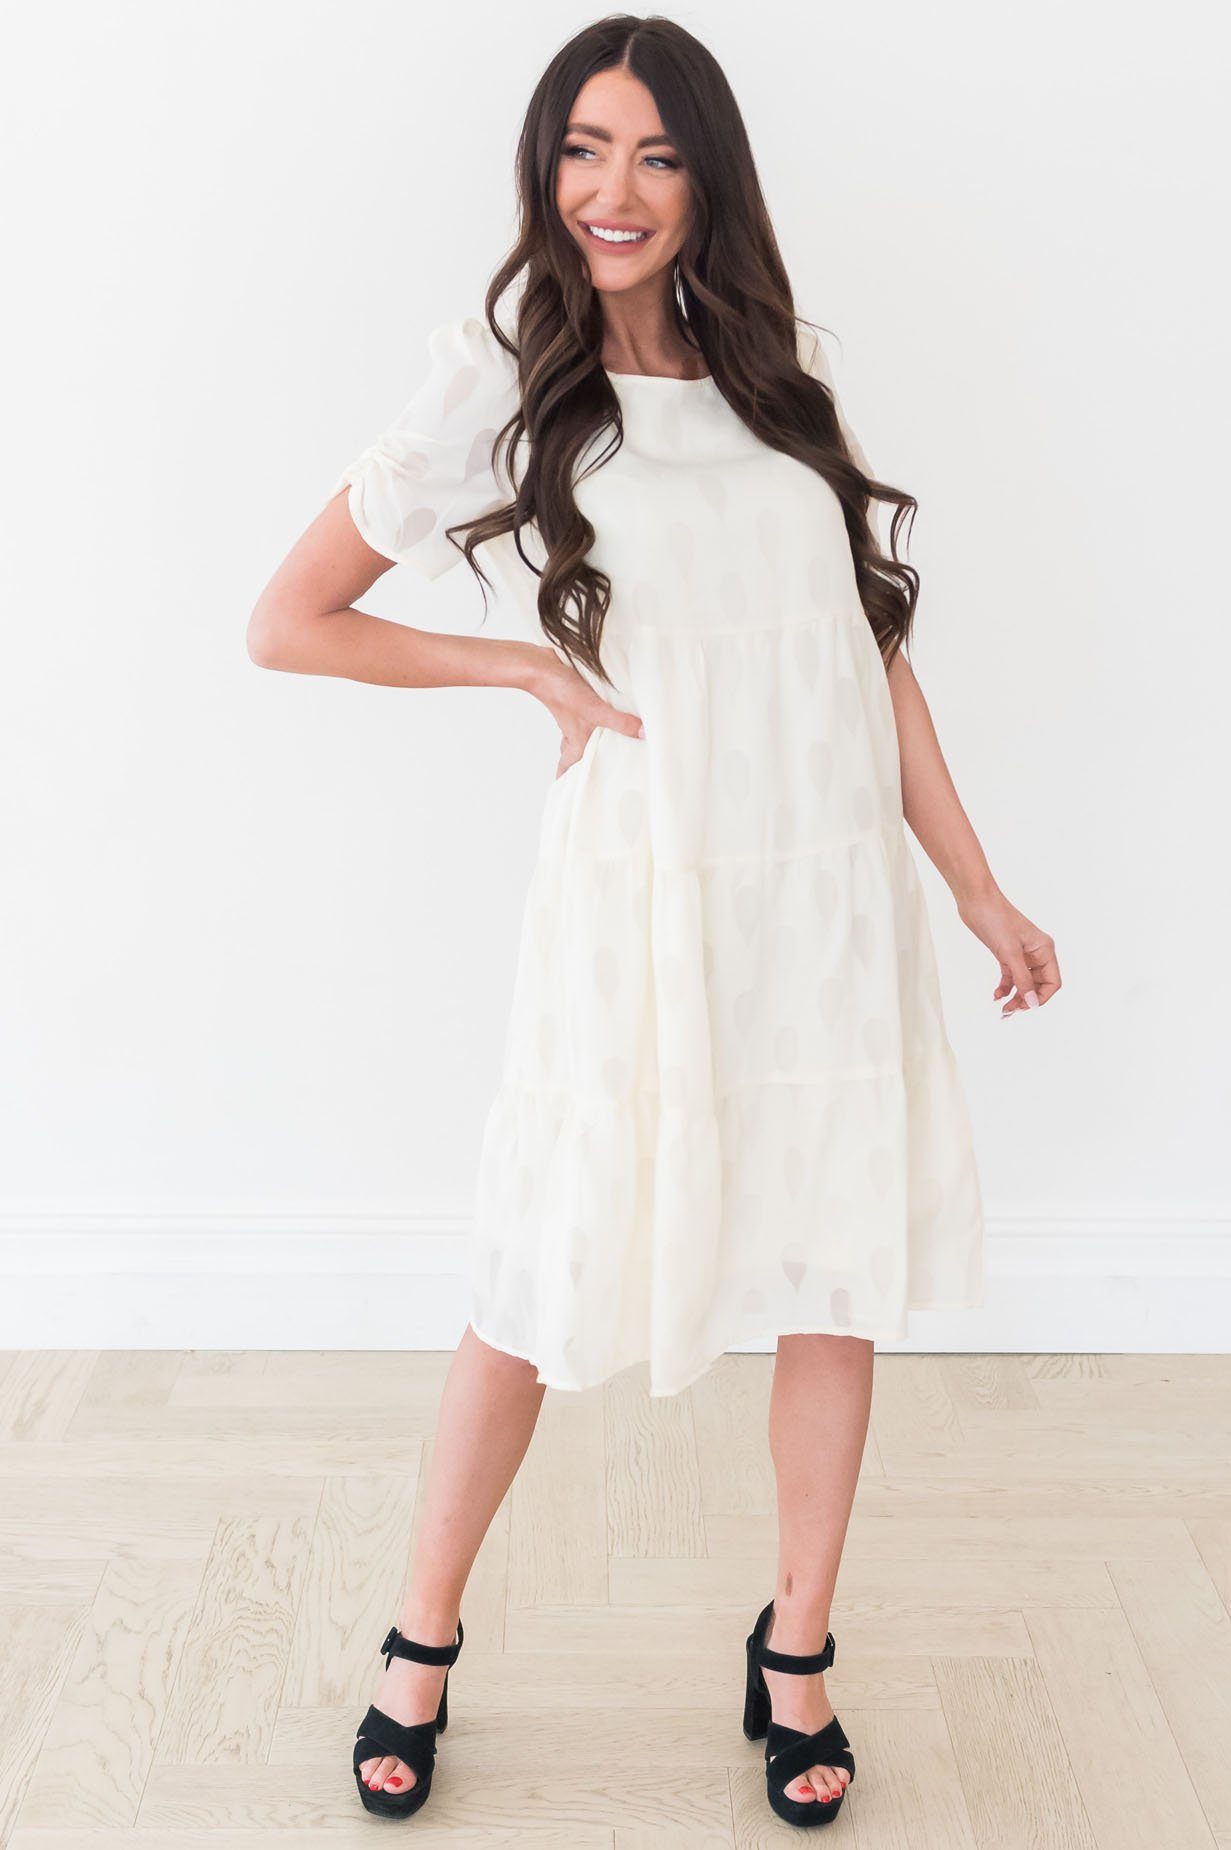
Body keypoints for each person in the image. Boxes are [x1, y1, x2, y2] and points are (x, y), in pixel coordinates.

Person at [247, 13, 1060, 1831]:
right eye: (585, 149)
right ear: (547, 170)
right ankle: (419, 1637)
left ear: (708, 181)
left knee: (837, 1273)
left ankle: (799, 1647)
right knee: (535, 1276)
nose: (615, 191)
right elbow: (290, 619)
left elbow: (870, 661)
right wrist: (526, 670)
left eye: (658, 154)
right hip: (644, 896)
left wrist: (975, 884)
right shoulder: (502, 384)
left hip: (825, 892)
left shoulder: (780, 378)